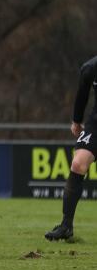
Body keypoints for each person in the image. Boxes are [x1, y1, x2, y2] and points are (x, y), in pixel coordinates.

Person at [45, 56, 97, 241]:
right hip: (96, 124)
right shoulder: (91, 68)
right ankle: (66, 226)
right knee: (77, 164)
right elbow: (82, 94)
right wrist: (76, 120)